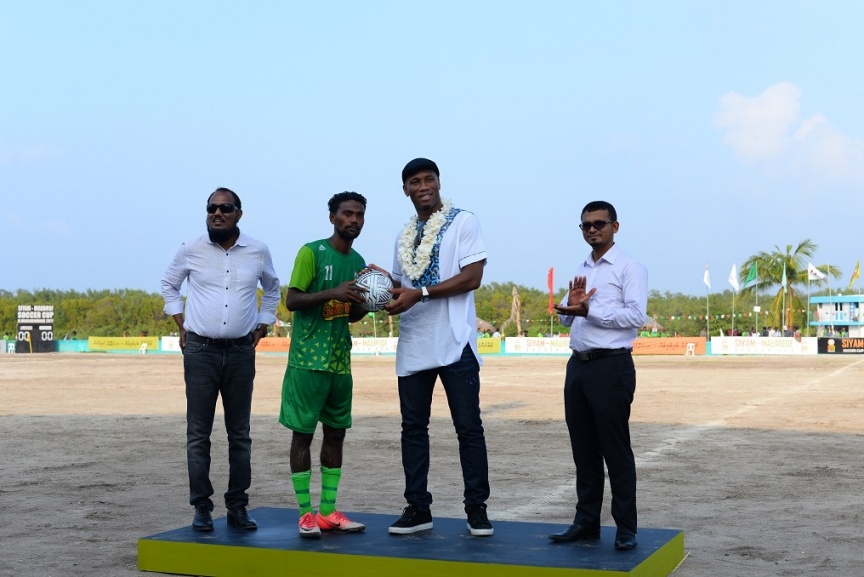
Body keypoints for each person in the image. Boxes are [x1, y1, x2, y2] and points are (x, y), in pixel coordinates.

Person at [383, 158, 493, 537]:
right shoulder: (403, 235)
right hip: (415, 342)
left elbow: (472, 277)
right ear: (406, 190)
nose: (423, 186)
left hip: (455, 341)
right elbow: (400, 287)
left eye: (429, 179)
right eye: (415, 181)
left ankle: (476, 509)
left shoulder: (464, 222)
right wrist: (378, 288)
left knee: (468, 428)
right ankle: (418, 508)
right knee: (413, 429)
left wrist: (422, 293)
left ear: (439, 182)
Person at [161, 187, 280, 532]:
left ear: (239, 213)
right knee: (198, 433)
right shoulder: (190, 248)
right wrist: (181, 323)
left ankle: (237, 506)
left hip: (241, 352)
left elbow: (273, 288)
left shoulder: (258, 250)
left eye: (225, 208)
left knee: (239, 434)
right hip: (200, 351)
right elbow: (169, 285)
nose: (217, 213)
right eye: (211, 208)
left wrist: (263, 324)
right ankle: (201, 506)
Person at [550, 200, 647, 551]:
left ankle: (626, 527)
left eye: (599, 223)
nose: (592, 229)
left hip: (611, 366)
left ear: (614, 227)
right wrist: (573, 305)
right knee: (584, 450)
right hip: (578, 365)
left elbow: (635, 317)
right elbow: (566, 318)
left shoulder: (629, 268)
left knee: (615, 450)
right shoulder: (582, 268)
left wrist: (591, 310)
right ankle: (586, 523)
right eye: (586, 225)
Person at [279, 192, 370, 539]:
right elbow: (292, 300)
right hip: (307, 361)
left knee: (336, 435)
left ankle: (328, 511)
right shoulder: (311, 252)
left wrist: (370, 302)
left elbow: (351, 314)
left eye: (359, 215)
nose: (354, 220)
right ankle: (305, 513)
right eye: (347, 213)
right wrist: (333, 291)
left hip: (340, 363)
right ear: (333, 217)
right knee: (302, 436)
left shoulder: (359, 262)